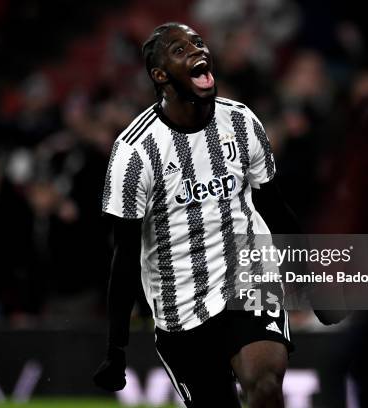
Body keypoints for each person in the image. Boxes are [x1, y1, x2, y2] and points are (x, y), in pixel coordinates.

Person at [93, 22, 300, 407]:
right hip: (180, 305)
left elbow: (274, 206)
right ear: (160, 75)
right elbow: (124, 253)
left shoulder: (241, 122)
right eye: (179, 50)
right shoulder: (135, 152)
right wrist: (116, 348)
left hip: (248, 275)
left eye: (198, 43)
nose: (195, 51)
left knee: (266, 385)